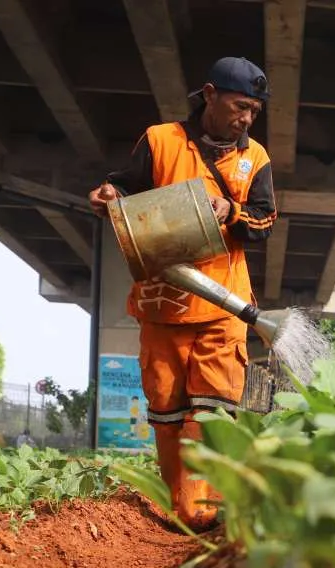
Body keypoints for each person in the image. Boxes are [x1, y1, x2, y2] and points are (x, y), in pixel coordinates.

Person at [87, 57, 277, 531]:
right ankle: (185, 509)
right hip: (162, 303)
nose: (246, 119)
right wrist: (107, 194)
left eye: (253, 111)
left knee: (211, 411)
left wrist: (230, 210)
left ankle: (203, 510)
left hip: (222, 303)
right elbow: (124, 188)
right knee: (167, 413)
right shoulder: (160, 141)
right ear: (209, 94)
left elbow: (264, 220)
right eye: (240, 106)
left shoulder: (256, 159)